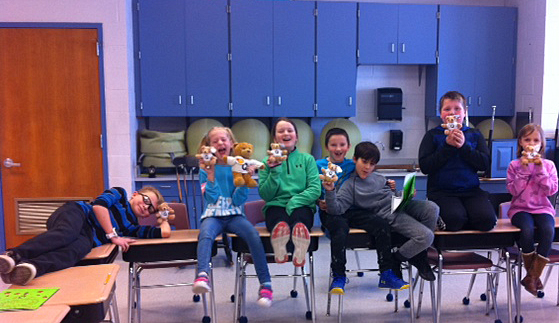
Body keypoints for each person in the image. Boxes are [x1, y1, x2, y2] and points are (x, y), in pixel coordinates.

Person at [0, 186, 170, 285]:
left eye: (151, 209)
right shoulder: (120, 194)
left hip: (88, 237)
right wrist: (113, 236)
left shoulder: (131, 228)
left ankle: (29, 268)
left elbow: (164, 233)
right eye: (146, 201)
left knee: (75, 252)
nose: (146, 208)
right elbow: (99, 207)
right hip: (78, 213)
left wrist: (163, 214)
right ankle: (14, 255)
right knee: (66, 234)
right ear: (136, 194)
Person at [325, 141, 439, 282]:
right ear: (355, 160)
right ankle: (397, 258)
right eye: (364, 162)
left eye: (372, 164)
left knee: (432, 208)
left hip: (398, 204)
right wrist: (330, 191)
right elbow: (337, 209)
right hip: (390, 214)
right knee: (426, 237)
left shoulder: (378, 177)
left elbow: (389, 195)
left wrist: (404, 194)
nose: (367, 167)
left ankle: (420, 256)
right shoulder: (349, 185)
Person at [318, 128, 409, 294]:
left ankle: (387, 273)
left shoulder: (354, 164)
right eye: (333, 145)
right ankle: (338, 275)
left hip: (355, 209)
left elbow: (370, 176)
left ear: (348, 147)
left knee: (382, 224)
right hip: (331, 211)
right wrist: (318, 200)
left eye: (342, 145)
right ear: (326, 147)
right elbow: (310, 188)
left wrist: (388, 185)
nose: (338, 148)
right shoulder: (318, 166)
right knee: (340, 228)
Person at [192, 127, 273, 307]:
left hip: (235, 214)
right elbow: (210, 198)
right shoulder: (205, 169)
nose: (220, 143)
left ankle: (266, 285)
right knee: (205, 235)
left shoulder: (238, 165)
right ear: (209, 147)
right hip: (213, 215)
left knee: (253, 235)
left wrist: (245, 181)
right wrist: (211, 176)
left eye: (224, 140)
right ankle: (202, 276)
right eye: (215, 141)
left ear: (231, 144)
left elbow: (237, 201)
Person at [419, 90, 497, 231]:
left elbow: (484, 164)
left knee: (487, 221)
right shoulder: (432, 135)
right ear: (441, 114)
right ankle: (455, 219)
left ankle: (468, 216)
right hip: (442, 191)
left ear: (464, 112)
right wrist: (447, 147)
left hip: (471, 191)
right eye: (447, 109)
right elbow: (425, 167)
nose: (452, 113)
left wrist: (464, 147)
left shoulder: (474, 134)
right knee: (454, 220)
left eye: (457, 109)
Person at [259, 118, 321, 268]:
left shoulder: (307, 159)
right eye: (281, 131)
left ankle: (299, 248)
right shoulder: (266, 162)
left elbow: (315, 189)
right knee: (279, 220)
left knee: (300, 219)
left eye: (289, 130)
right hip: (276, 206)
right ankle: (280, 247)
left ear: (297, 137)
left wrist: (294, 201)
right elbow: (265, 195)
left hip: (301, 206)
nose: (285, 133)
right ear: (274, 139)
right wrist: (274, 171)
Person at [506, 123, 558, 296]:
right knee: (526, 230)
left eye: (535, 140)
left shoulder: (549, 165)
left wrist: (540, 170)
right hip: (520, 209)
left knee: (548, 230)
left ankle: (531, 277)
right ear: (520, 142)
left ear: (542, 144)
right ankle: (533, 277)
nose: (531, 143)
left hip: (543, 208)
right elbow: (514, 190)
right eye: (527, 139)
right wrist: (525, 169)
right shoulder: (514, 165)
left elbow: (551, 190)